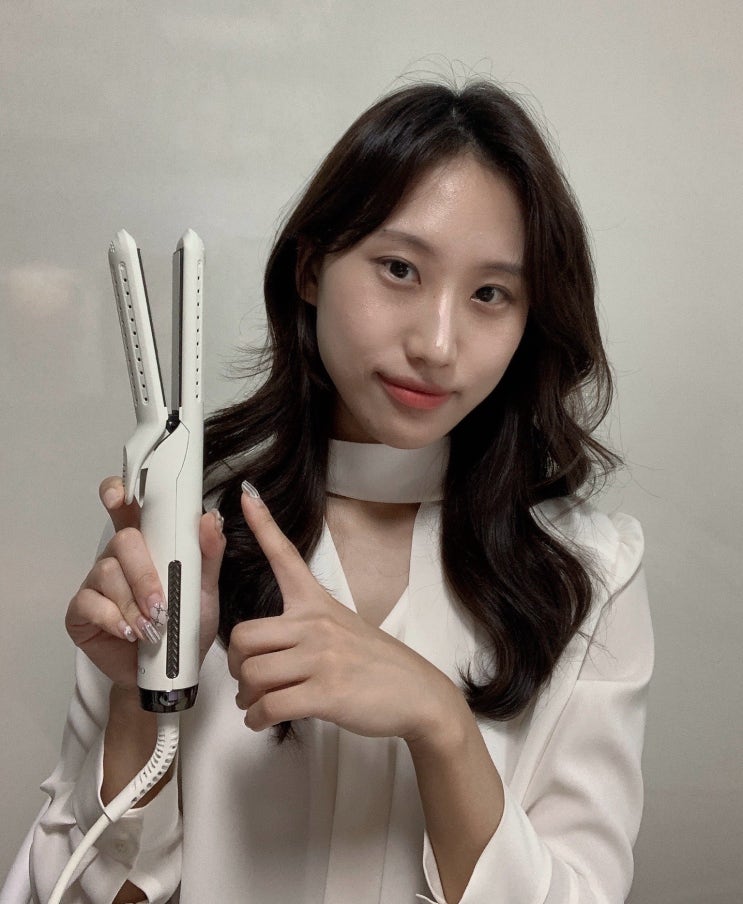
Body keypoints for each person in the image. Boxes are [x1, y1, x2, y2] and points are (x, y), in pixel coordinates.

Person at [5, 80, 653, 904]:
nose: (438, 344)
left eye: (490, 293)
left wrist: (440, 723)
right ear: (310, 269)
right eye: (399, 270)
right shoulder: (180, 538)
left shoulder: (589, 572)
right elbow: (79, 892)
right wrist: (143, 701)